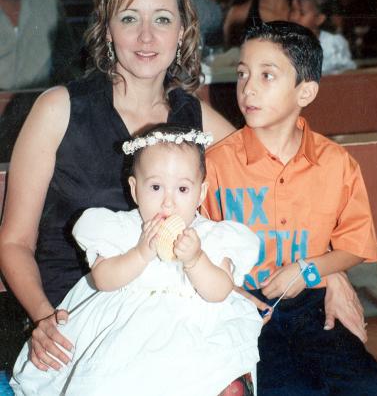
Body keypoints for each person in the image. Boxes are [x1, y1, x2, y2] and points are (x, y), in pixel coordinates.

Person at [0, 0, 235, 375]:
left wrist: (329, 273)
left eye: (162, 19)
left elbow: (278, 181)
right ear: (107, 30)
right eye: (129, 18)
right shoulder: (58, 109)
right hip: (75, 313)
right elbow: (14, 241)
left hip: (168, 316)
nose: (146, 37)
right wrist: (43, 318)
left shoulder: (196, 118)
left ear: (183, 31)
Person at [203, 21, 377, 395]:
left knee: (373, 387)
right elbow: (201, 243)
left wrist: (307, 270)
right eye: (243, 74)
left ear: (305, 91)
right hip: (244, 308)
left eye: (267, 75)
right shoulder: (217, 164)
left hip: (312, 304)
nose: (249, 87)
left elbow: (354, 245)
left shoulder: (336, 163)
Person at [11, 123, 262, 396]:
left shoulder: (211, 237)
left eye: (182, 189)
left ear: (201, 193)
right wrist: (140, 253)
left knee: (208, 379)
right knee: (107, 383)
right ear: (134, 190)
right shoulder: (122, 229)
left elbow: (220, 291)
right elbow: (103, 279)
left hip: (194, 334)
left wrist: (196, 259)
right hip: (127, 336)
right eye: (155, 187)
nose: (168, 202)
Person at [290, 0, 356, 75]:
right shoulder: (287, 43)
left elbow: (346, 73)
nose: (294, 17)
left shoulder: (333, 43)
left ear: (319, 19)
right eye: (292, 10)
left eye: (301, 13)